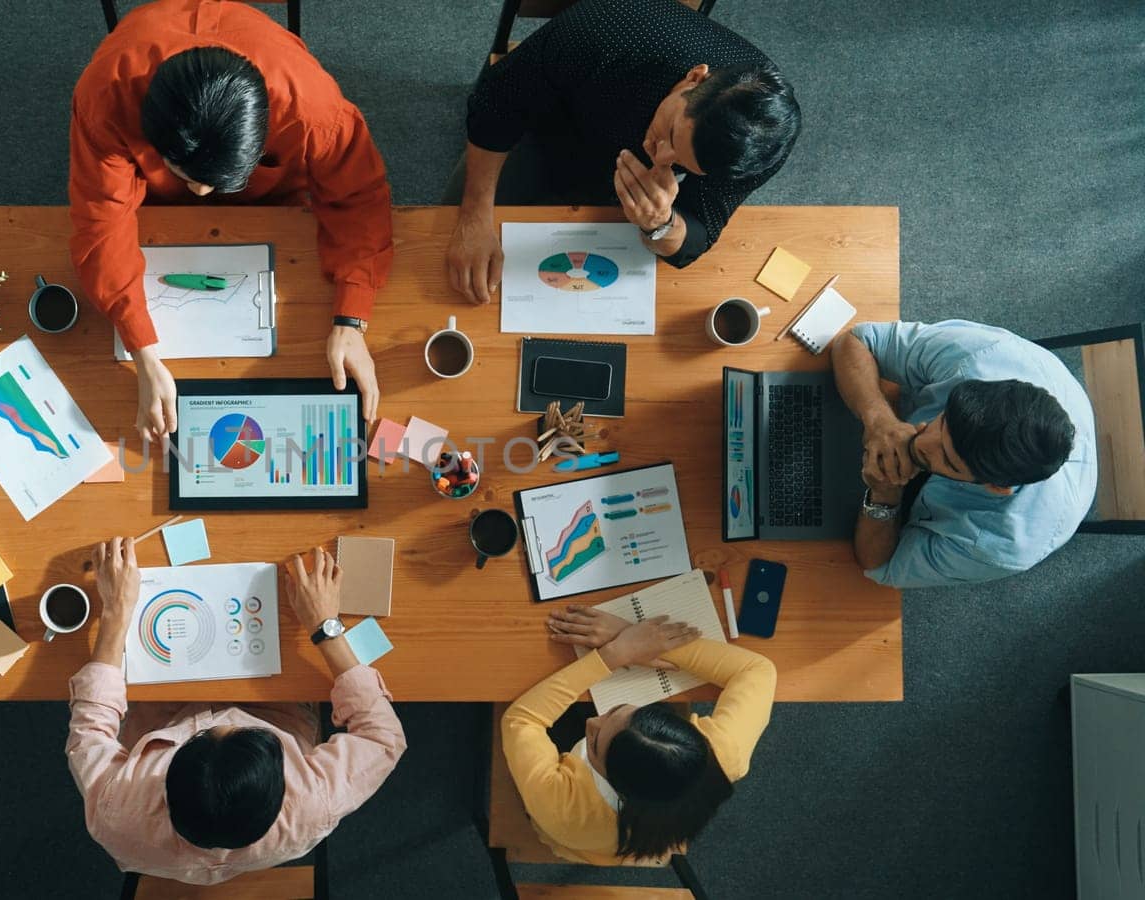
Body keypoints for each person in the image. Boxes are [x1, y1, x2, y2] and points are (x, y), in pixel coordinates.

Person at [68, 0, 393, 441]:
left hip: (276, 203)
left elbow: (359, 199)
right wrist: (142, 349)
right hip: (147, 202)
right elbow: (101, 223)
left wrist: (352, 318)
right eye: (186, 176)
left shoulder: (312, 108)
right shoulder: (105, 96)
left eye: (213, 184)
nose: (200, 196)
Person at [66, 542, 406, 885]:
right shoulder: (311, 802)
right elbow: (382, 737)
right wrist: (324, 627)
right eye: (237, 728)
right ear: (281, 784)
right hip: (278, 707)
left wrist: (116, 611)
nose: (224, 716)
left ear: (165, 783)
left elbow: (91, 723)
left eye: (205, 733)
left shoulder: (117, 812)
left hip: (162, 710)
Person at [446, 0, 801, 303]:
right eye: (671, 135)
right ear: (695, 77)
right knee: (446, 229)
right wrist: (474, 218)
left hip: (620, 185)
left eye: (682, 165)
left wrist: (661, 223)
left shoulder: (756, 143)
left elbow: (698, 231)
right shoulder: (603, 32)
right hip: (545, 127)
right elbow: (497, 103)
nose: (660, 159)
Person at [830, 320, 1097, 588]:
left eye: (946, 458)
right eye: (943, 421)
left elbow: (881, 565)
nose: (923, 443)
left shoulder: (1001, 546)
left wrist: (885, 496)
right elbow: (856, 340)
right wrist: (879, 420)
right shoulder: (982, 356)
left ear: (996, 488)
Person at [503, 605, 776, 864]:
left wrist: (614, 654)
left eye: (595, 744)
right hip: (648, 838)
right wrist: (639, 642)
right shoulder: (720, 753)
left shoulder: (563, 809)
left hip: (571, 840)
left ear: (618, 784)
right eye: (617, 711)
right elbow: (757, 671)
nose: (592, 721)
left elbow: (521, 718)